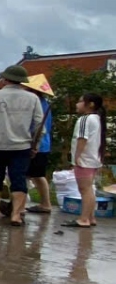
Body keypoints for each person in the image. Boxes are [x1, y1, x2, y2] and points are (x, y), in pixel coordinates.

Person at [0, 65, 43, 226]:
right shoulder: (32, 98)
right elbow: (39, 125)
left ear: (5, 79)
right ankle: (16, 214)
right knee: (18, 179)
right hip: (22, 146)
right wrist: (36, 144)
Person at [63, 93, 107, 229]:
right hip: (94, 158)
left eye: (80, 101)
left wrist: (76, 156)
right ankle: (90, 217)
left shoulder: (84, 119)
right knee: (89, 189)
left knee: (85, 189)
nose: (77, 104)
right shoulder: (97, 119)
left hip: (85, 159)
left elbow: (82, 138)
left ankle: (84, 219)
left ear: (90, 104)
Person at [22, 74, 55, 215]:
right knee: (37, 175)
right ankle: (45, 203)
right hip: (44, 145)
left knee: (26, 175)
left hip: (36, 145)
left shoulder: (36, 104)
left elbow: (34, 126)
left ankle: (21, 205)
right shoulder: (45, 103)